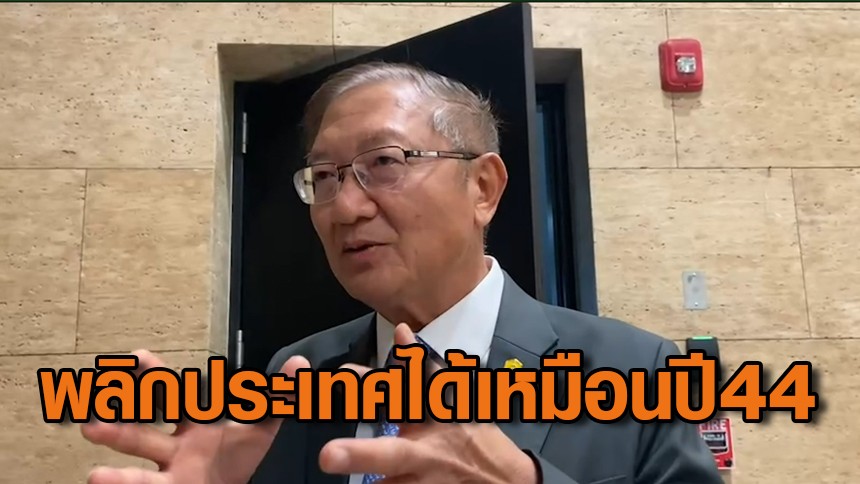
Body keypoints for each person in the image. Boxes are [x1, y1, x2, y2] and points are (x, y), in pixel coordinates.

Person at [81, 61, 722, 484]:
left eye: (384, 163)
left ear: (482, 187)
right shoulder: (295, 377)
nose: (346, 207)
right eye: (324, 177)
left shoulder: (639, 371)